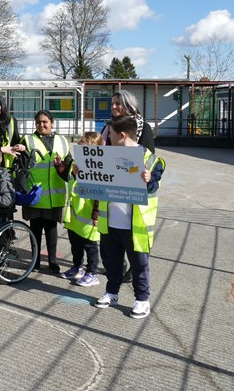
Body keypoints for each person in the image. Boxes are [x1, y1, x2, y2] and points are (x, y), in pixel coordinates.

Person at [94, 115, 165, 319]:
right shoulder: (107, 155)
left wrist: (149, 179)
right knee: (111, 262)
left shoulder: (150, 159)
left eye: (110, 134)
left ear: (122, 135)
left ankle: (142, 300)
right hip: (111, 222)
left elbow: (154, 185)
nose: (106, 138)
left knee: (139, 265)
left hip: (136, 226)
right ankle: (112, 292)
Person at [100, 89, 154, 283]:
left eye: (118, 104)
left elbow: (148, 157)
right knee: (111, 237)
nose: (114, 107)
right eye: (112, 103)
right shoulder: (108, 127)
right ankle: (116, 270)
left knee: (133, 239)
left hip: (132, 191)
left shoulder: (142, 127)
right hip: (111, 190)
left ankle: (134, 269)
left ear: (129, 105)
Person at [21, 109, 71, 273]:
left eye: (45, 122)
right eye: (38, 122)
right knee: (35, 228)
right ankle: (35, 261)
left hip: (54, 195)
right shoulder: (28, 140)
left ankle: (52, 260)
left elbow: (69, 165)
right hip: (35, 193)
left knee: (51, 228)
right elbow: (21, 166)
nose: (41, 125)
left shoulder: (62, 141)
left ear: (51, 123)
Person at [61, 131, 103, 287]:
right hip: (74, 213)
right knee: (75, 243)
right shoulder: (74, 164)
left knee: (90, 245)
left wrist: (96, 214)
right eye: (79, 144)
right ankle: (77, 266)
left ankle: (92, 273)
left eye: (83, 145)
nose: (79, 146)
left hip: (88, 214)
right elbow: (67, 178)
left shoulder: (97, 167)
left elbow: (100, 193)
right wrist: (62, 168)